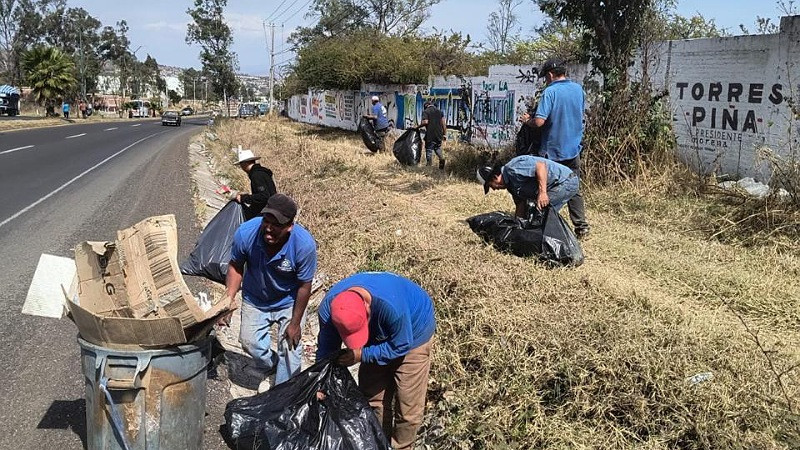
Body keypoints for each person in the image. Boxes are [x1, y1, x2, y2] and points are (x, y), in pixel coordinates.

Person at [317, 272, 436, 450]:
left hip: (413, 336)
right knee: (373, 399)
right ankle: (378, 444)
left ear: (367, 308)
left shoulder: (392, 307)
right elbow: (326, 349)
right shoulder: (329, 309)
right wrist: (321, 382)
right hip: (375, 336)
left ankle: (402, 446)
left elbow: (400, 345)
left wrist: (361, 355)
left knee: (408, 407)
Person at [223, 194, 317, 388]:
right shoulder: (246, 233)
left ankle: (281, 394)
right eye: (267, 221)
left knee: (290, 350)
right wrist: (228, 301)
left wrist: (295, 323)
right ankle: (272, 364)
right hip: (255, 297)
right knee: (250, 343)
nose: (268, 228)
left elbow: (304, 286)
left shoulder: (304, 245)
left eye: (276, 225)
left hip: (288, 300)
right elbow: (236, 266)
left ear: (289, 226)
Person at [518, 59, 590, 238]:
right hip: (573, 148)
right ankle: (582, 227)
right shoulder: (578, 90)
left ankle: (543, 224)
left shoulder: (550, 92)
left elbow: (540, 121)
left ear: (550, 74)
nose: (546, 81)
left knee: (545, 187)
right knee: (573, 186)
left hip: (552, 150)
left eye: (546, 78)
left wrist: (528, 121)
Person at [477, 154, 578, 219]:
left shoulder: (513, 168)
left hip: (566, 181)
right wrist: (518, 225)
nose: (494, 189)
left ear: (495, 177)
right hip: (555, 185)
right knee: (533, 216)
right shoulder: (511, 186)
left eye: (492, 186)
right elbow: (520, 205)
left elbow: (540, 166)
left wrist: (542, 193)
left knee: (541, 212)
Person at [232, 146, 277, 220]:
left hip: (264, 214)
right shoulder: (262, 173)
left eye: (241, 164)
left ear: (245, 163)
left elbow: (264, 196)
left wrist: (244, 198)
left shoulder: (257, 175)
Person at [417, 100, 447, 170]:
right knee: (437, 148)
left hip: (430, 134)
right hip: (439, 135)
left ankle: (429, 166)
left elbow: (425, 122)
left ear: (426, 106)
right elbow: (444, 124)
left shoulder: (426, 111)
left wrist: (417, 127)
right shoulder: (439, 112)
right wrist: (444, 134)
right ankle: (442, 159)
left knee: (429, 149)